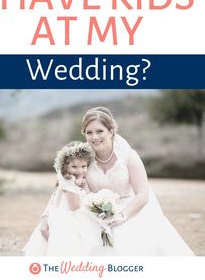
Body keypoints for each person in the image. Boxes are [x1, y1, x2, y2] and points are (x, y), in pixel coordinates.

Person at [32, 107, 195, 256]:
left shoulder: (128, 156)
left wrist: (122, 216)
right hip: (94, 212)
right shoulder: (81, 155)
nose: (94, 137)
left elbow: (143, 193)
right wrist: (45, 216)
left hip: (129, 210)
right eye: (89, 133)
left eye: (99, 131)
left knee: (128, 237)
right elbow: (63, 185)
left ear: (111, 131)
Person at [23, 141, 100, 256]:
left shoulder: (78, 180)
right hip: (68, 221)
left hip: (71, 216)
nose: (79, 170)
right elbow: (75, 207)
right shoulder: (69, 181)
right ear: (65, 166)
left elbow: (88, 197)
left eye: (83, 166)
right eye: (74, 167)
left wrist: (84, 185)